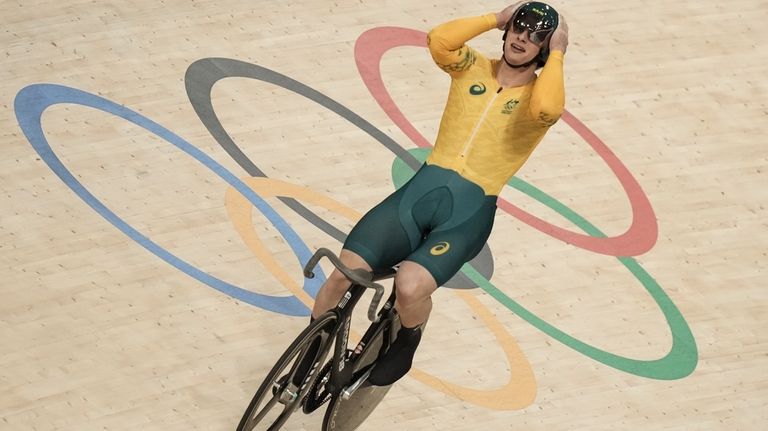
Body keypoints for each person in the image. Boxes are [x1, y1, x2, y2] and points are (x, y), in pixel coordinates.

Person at [307, 1, 569, 387]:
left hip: (465, 215)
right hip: (418, 197)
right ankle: (308, 354)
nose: (521, 38)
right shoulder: (472, 67)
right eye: (517, 28)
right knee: (341, 275)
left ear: (544, 48)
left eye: (535, 37)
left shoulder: (536, 99)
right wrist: (495, 17)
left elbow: (549, 107)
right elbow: (440, 40)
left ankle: (406, 343)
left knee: (409, 286)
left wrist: (559, 52)